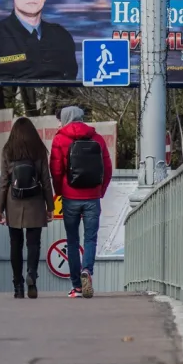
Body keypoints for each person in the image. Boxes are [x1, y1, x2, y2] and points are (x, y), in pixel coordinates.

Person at [49, 106, 113, 299]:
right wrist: (100, 190)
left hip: (70, 197)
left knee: (72, 240)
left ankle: (76, 286)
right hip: (92, 196)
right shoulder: (97, 138)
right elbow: (107, 168)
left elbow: (56, 169)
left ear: (66, 118)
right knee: (91, 238)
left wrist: (60, 191)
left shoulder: (60, 139)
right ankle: (87, 271)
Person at [0, 117, 54, 299]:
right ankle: (32, 276)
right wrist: (50, 206)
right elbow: (46, 180)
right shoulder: (38, 150)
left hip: (13, 203)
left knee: (15, 244)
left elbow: (4, 183)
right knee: (33, 243)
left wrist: (0, 209)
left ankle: (17, 285)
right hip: (35, 202)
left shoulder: (8, 150)